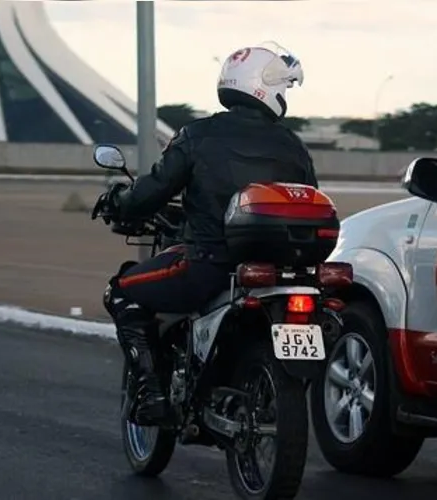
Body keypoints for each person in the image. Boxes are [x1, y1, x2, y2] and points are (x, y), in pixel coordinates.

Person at [100, 44, 318, 425]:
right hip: (280, 272)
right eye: (284, 87)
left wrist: (117, 202)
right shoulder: (293, 146)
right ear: (265, 87)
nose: (285, 95)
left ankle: (152, 395)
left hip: (209, 265)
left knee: (121, 290)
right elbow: (309, 198)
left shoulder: (197, 135)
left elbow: (152, 190)